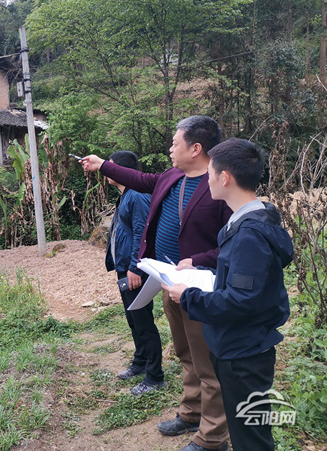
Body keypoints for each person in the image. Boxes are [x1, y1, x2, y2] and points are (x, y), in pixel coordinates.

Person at [81, 116, 232, 451]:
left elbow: (232, 244)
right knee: (186, 353)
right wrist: (103, 164)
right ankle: (191, 413)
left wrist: (199, 259)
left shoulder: (221, 185)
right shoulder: (171, 177)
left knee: (207, 363)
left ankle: (212, 437)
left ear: (196, 148)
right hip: (167, 282)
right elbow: (139, 178)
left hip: (198, 288)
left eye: (175, 143)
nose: (170, 149)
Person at [165, 138, 293, 451]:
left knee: (251, 438)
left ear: (224, 177)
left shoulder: (249, 234)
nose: (206, 180)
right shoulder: (250, 221)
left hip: (244, 354)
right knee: (243, 430)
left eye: (209, 173)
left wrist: (189, 296)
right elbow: (243, 285)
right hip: (239, 346)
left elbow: (241, 300)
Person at [105, 151, 164, 395]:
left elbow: (142, 233)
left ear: (121, 169)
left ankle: (155, 376)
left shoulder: (137, 195)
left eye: (109, 166)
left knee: (143, 321)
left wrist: (134, 268)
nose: (106, 171)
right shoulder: (126, 195)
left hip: (134, 270)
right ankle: (140, 361)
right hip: (125, 268)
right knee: (133, 319)